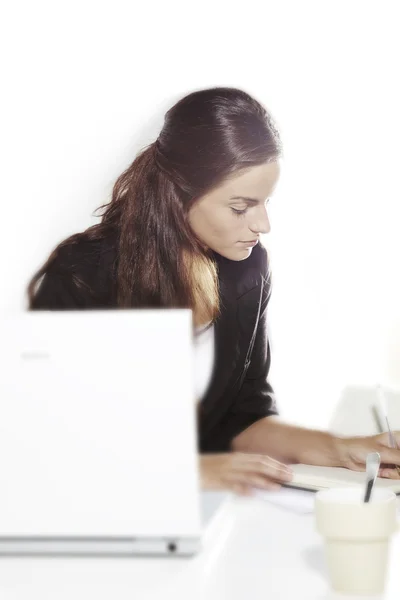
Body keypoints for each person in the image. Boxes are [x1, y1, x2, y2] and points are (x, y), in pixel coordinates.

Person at [28, 87, 400, 495]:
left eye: (264, 202)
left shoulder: (248, 271)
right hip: (108, 513)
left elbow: (244, 418)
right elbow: (48, 443)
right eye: (241, 207)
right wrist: (191, 474)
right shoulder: (82, 276)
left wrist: (340, 449)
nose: (263, 224)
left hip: (214, 510)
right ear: (179, 196)